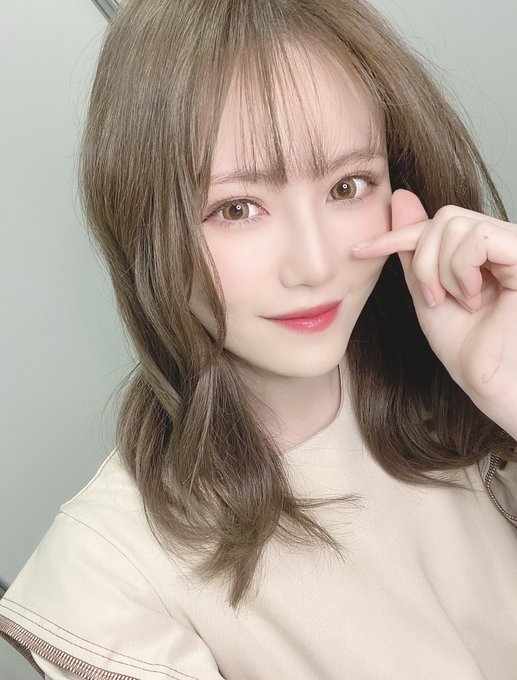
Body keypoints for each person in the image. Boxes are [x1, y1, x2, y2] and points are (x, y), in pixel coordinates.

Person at [1, 0, 516, 677]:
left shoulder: (464, 401)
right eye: (237, 208)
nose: (315, 265)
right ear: (143, 222)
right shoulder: (109, 580)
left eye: (347, 186)